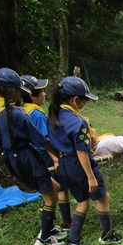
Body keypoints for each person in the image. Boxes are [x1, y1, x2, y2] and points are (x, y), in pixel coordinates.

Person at [0, 68, 64, 245]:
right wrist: (59, 155)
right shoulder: (16, 113)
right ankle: (43, 240)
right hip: (26, 158)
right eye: (18, 89)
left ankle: (49, 228)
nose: (21, 93)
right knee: (50, 198)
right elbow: (40, 140)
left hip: (10, 158)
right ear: (9, 90)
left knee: (56, 188)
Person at [48, 76, 123, 245]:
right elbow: (82, 151)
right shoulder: (77, 121)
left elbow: (47, 142)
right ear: (75, 100)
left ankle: (73, 240)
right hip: (79, 165)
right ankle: (107, 235)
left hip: (64, 163)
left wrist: (58, 157)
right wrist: (91, 177)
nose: (85, 104)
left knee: (84, 200)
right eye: (85, 100)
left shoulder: (54, 115)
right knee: (103, 197)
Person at [21, 73, 73, 232]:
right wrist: (56, 159)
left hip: (34, 156)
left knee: (50, 189)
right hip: (45, 154)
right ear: (32, 95)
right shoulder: (36, 115)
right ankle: (66, 221)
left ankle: (52, 222)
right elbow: (44, 140)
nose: (44, 94)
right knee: (61, 187)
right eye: (41, 91)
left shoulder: (24, 111)